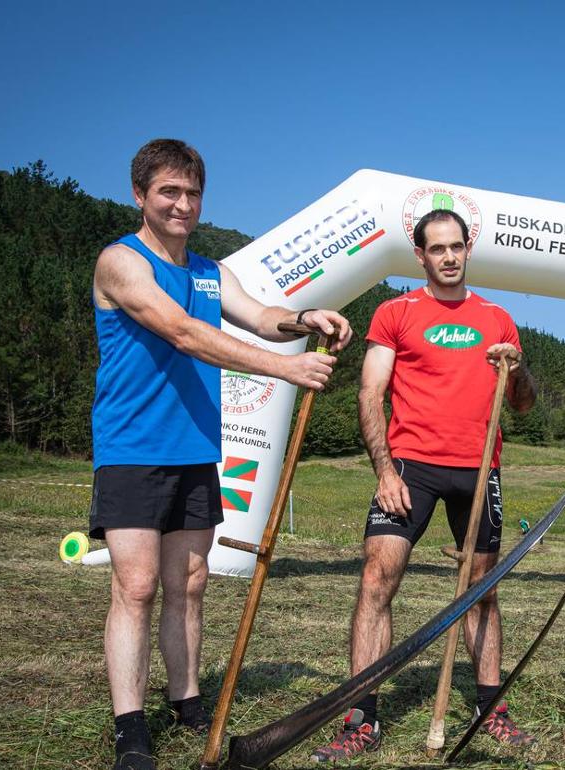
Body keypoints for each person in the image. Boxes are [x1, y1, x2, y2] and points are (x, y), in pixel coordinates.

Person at [90, 138, 352, 770]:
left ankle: (186, 699)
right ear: (140, 197)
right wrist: (285, 371)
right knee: (137, 585)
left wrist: (306, 318)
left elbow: (262, 317)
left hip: (195, 449)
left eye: (191, 193)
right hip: (132, 449)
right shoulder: (121, 263)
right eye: (168, 193)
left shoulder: (210, 272)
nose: (181, 205)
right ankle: (130, 726)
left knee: (191, 581)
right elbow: (185, 333)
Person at [310, 209, 538, 762]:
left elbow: (524, 403)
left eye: (457, 246)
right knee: (376, 579)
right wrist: (384, 472)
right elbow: (371, 394)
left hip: (480, 468)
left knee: (482, 590)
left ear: (467, 248)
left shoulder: (498, 318)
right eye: (438, 248)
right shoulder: (396, 312)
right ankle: (361, 716)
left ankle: (491, 709)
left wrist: (517, 368)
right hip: (411, 466)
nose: (449, 256)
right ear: (421, 255)